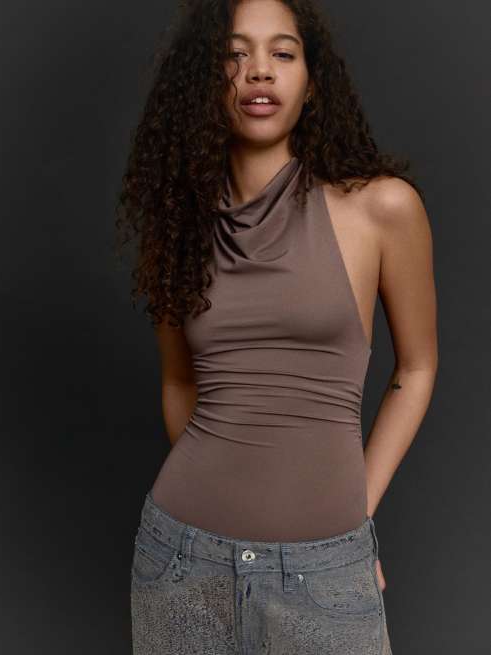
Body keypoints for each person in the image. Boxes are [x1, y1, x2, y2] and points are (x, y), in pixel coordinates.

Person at [115, 1, 438, 653]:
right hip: (181, 563)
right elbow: (179, 382)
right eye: (233, 56)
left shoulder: (381, 208)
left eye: (282, 53)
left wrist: (353, 520)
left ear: (312, 82)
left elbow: (416, 367)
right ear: (204, 83)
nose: (258, 70)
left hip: (326, 569)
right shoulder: (178, 225)